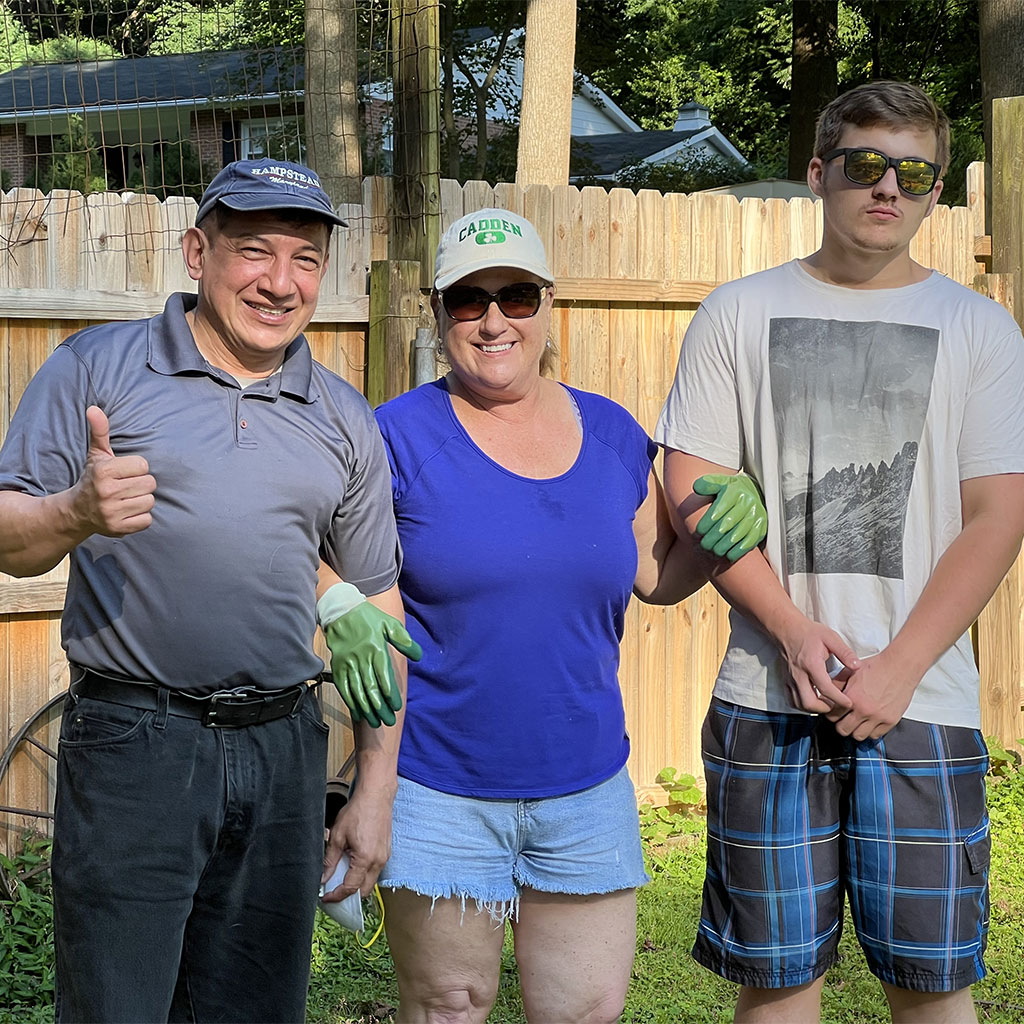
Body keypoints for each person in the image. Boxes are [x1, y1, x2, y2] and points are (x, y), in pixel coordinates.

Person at [321, 207, 767, 1024]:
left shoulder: (612, 433)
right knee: (448, 1004)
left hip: (585, 785)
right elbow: (318, 550)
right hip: (438, 782)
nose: (494, 320)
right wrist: (337, 598)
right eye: (468, 300)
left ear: (547, 304)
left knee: (585, 1012)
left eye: (516, 295)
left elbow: (656, 575)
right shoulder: (393, 436)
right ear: (437, 313)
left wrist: (731, 519)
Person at [0, 158, 415, 1024]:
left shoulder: (343, 415)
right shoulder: (95, 370)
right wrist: (76, 512)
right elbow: (9, 539)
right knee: (118, 1006)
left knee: (256, 1007)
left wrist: (374, 790)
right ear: (197, 252)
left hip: (285, 749)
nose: (280, 281)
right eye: (253, 251)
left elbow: (380, 611)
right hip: (135, 746)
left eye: (305, 258)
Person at [656, 81, 1024, 1024]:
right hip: (766, 695)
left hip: (923, 700)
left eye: (913, 173)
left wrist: (900, 667)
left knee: (934, 984)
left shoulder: (981, 329)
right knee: (776, 981)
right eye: (865, 166)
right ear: (819, 174)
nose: (887, 190)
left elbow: (998, 515)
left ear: (935, 191)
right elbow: (693, 486)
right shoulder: (735, 313)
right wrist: (786, 628)